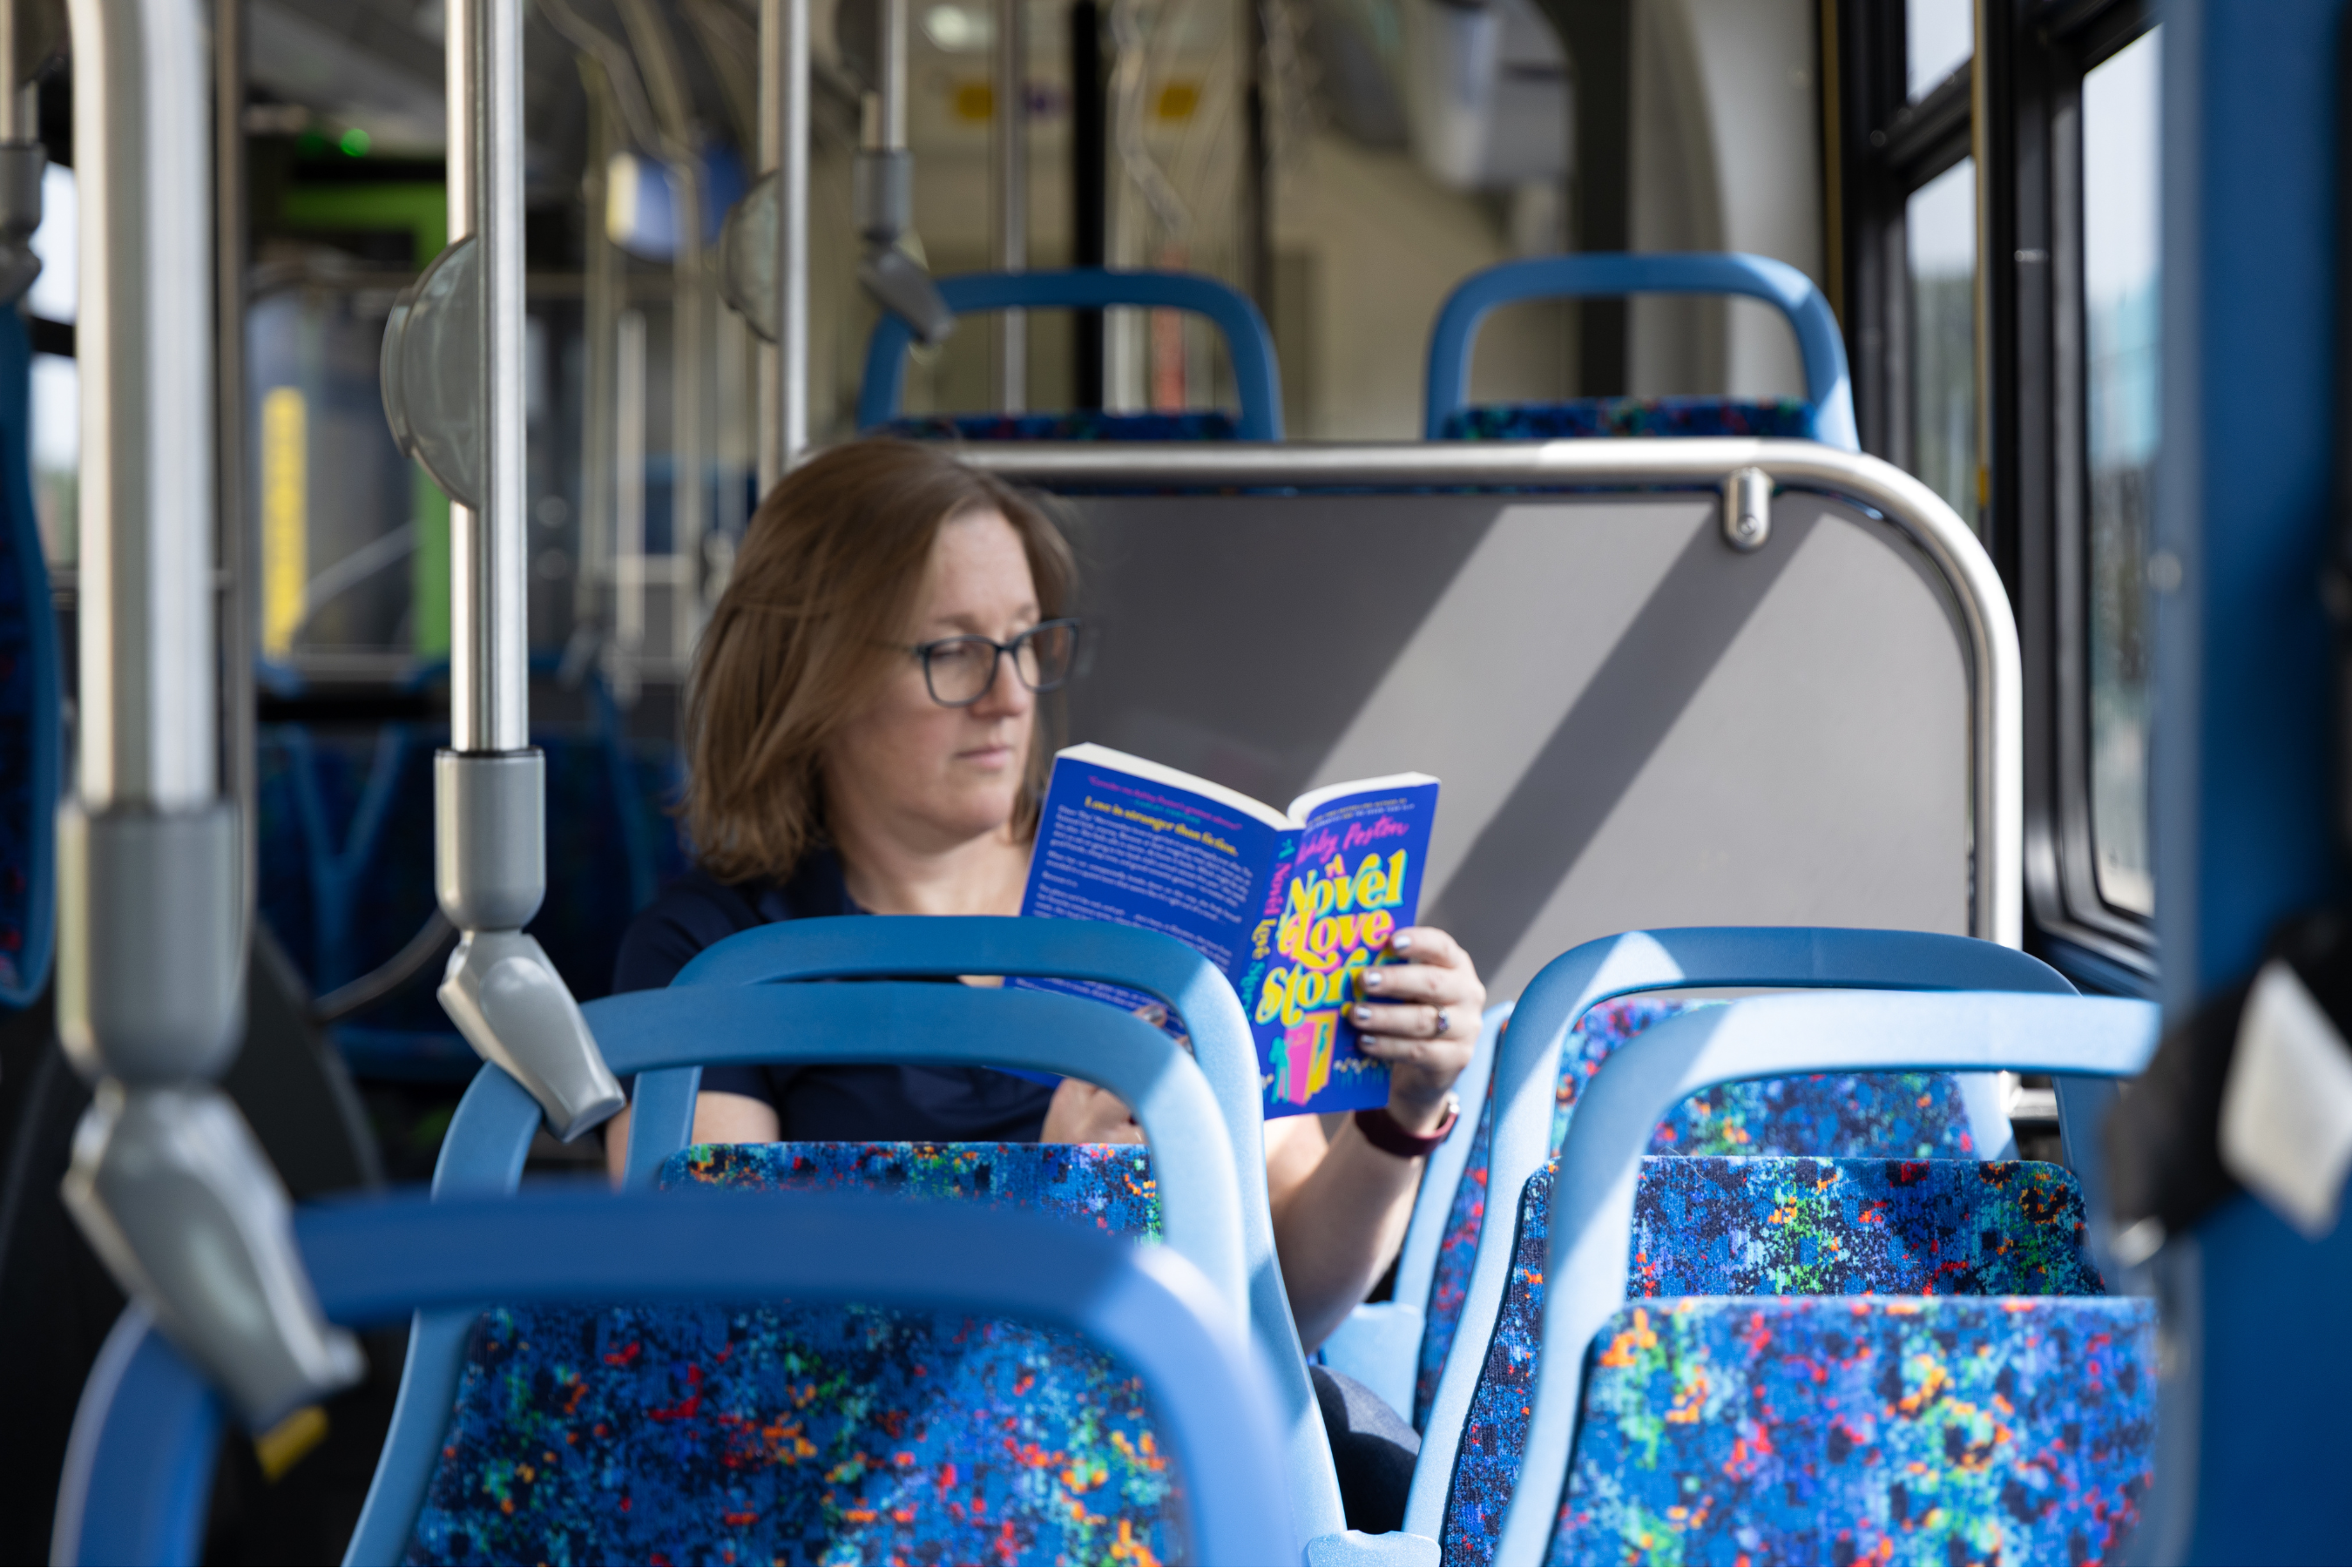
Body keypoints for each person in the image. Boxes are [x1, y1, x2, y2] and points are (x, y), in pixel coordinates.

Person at [603, 439, 1484, 1518]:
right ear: (814, 674)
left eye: (1028, 644)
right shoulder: (719, 954)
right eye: (955, 653)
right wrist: (1051, 1196)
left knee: (1393, 1482)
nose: (1010, 696)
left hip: (1180, 1432)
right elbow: (717, 1327)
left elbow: (1287, 1305)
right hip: (878, 1471)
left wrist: (1403, 1116)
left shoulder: (1153, 901)